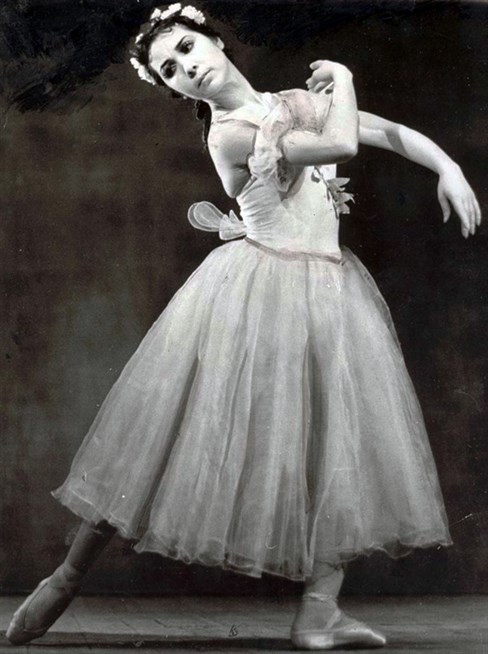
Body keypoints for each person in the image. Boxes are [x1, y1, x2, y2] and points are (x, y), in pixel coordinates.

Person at [7, 3, 481, 650]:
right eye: (168, 69)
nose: (186, 67)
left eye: (186, 48)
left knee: (334, 440)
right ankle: (66, 577)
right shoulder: (230, 135)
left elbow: (385, 132)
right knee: (165, 432)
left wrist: (448, 167)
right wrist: (343, 77)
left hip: (327, 287)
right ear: (173, 89)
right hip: (258, 289)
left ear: (214, 40)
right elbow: (342, 143)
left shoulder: (288, 104)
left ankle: (319, 612)